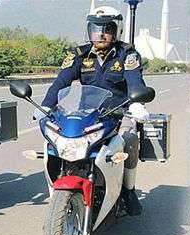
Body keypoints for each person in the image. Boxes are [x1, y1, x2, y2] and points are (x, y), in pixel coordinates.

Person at [38, 6, 150, 216]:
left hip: (118, 113)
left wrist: (136, 104)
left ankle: (128, 189)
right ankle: (59, 188)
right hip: (87, 114)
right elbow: (60, 82)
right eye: (95, 28)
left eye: (107, 28)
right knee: (54, 137)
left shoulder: (127, 54)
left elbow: (135, 81)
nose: (101, 33)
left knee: (130, 138)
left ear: (117, 30)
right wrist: (46, 105)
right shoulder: (80, 54)